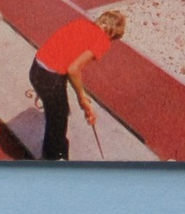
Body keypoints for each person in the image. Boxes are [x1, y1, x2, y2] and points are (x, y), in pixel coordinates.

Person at [29, 11, 127, 160]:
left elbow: (63, 55)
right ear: (112, 34)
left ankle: (53, 152)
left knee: (58, 113)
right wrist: (81, 97)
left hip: (36, 68)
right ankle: (54, 163)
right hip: (50, 77)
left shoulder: (81, 23)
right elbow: (73, 69)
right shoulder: (103, 40)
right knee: (58, 122)